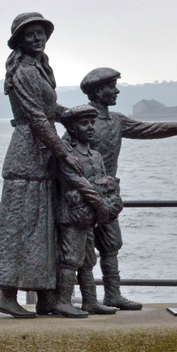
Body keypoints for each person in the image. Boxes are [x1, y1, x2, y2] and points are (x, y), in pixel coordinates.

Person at [80, 67, 177, 310]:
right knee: (83, 249)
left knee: (111, 245)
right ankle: (89, 300)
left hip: (108, 194)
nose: (116, 91)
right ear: (98, 91)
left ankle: (113, 295)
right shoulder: (81, 120)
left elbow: (148, 129)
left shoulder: (117, 120)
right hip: (81, 194)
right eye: (111, 86)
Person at [0, 12, 87, 318]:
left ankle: (48, 297)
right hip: (28, 154)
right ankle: (7, 294)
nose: (37, 38)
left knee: (43, 228)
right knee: (20, 226)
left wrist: (72, 115)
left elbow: (49, 110)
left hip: (42, 154)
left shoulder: (39, 69)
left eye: (41, 33)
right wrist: (64, 151)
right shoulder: (24, 72)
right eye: (30, 35)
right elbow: (36, 118)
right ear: (19, 40)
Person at [56, 105, 120, 315]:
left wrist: (108, 200)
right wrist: (99, 203)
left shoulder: (95, 155)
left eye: (92, 123)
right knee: (71, 259)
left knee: (88, 260)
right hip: (72, 215)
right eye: (84, 124)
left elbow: (102, 181)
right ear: (72, 129)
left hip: (90, 216)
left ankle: (90, 301)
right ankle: (63, 301)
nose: (91, 127)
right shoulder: (67, 155)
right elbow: (77, 183)